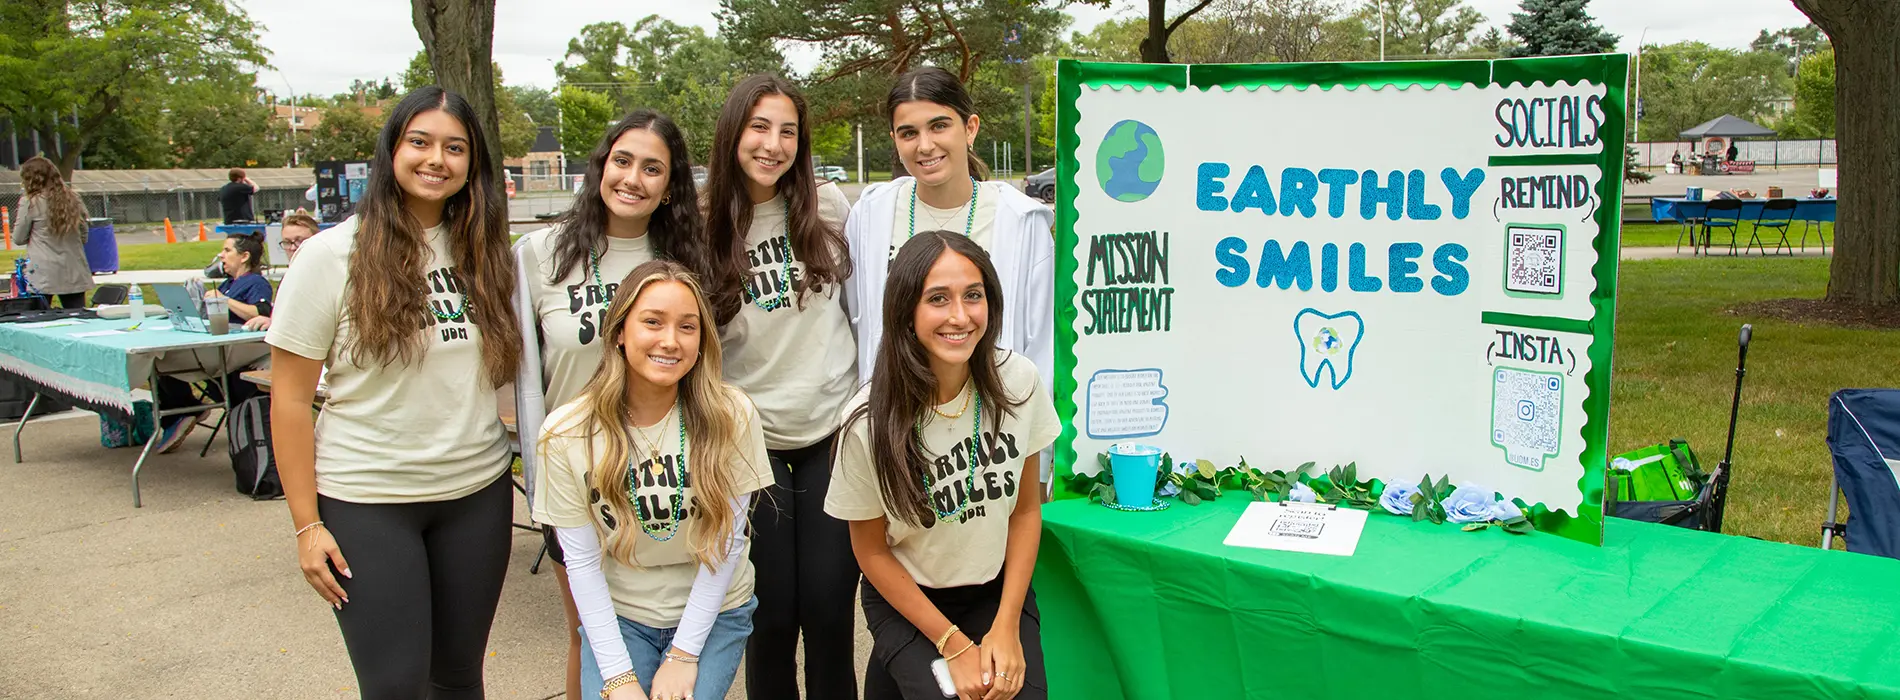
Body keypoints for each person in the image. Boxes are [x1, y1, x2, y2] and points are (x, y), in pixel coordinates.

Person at [265, 86, 524, 700]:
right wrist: (306, 526)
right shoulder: (330, 256)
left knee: (458, 679)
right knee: (395, 686)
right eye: (420, 142)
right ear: (392, 150)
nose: (437, 159)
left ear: (473, 164)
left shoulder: (484, 253)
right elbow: (290, 401)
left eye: (455, 148)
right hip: (370, 500)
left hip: (476, 494)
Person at [512, 108, 710, 700]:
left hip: (666, 474)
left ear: (670, 185)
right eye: (622, 161)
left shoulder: (686, 258)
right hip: (579, 476)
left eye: (652, 168)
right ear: (600, 166)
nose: (633, 178)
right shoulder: (540, 253)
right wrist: (536, 473)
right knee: (590, 635)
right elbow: (527, 379)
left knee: (677, 636)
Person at [827, 231, 1058, 700]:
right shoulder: (867, 423)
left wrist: (1006, 627)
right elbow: (871, 552)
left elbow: (1025, 511)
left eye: (973, 295)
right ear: (906, 312)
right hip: (910, 597)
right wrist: (953, 644)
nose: (960, 316)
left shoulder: (1019, 382)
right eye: (938, 298)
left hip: (995, 591)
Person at [536, 260, 772, 700]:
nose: (670, 340)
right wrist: (619, 677)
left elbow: (726, 545)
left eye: (687, 327)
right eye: (652, 322)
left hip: (715, 611)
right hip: (621, 614)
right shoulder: (567, 432)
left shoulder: (732, 415)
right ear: (619, 332)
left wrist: (683, 654)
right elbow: (581, 564)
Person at [700, 73, 859, 700]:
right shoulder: (699, 223)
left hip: (830, 432)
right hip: (748, 441)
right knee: (766, 617)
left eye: (787, 131)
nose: (773, 144)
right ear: (732, 133)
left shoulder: (830, 207)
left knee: (828, 610)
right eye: (759, 127)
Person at [843, 66, 1056, 484]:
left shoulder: (1019, 220)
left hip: (989, 438)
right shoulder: (871, 213)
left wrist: (1035, 458)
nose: (925, 146)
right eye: (908, 132)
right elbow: (858, 322)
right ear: (894, 140)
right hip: (896, 427)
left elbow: (1040, 345)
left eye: (939, 126)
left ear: (970, 128)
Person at [152, 231, 274, 453]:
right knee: (160, 355)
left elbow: (261, 312)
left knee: (163, 357)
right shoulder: (228, 283)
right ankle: (184, 408)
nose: (221, 256)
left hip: (234, 354)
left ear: (244, 256)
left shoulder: (255, 283)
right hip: (216, 349)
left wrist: (224, 300)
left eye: (227, 250)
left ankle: (184, 410)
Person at [12, 156, 92, 309]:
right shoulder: (73, 198)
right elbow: (84, 234)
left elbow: (19, 238)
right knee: (77, 316)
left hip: (42, 271)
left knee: (39, 318)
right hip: (73, 268)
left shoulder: (30, 202)